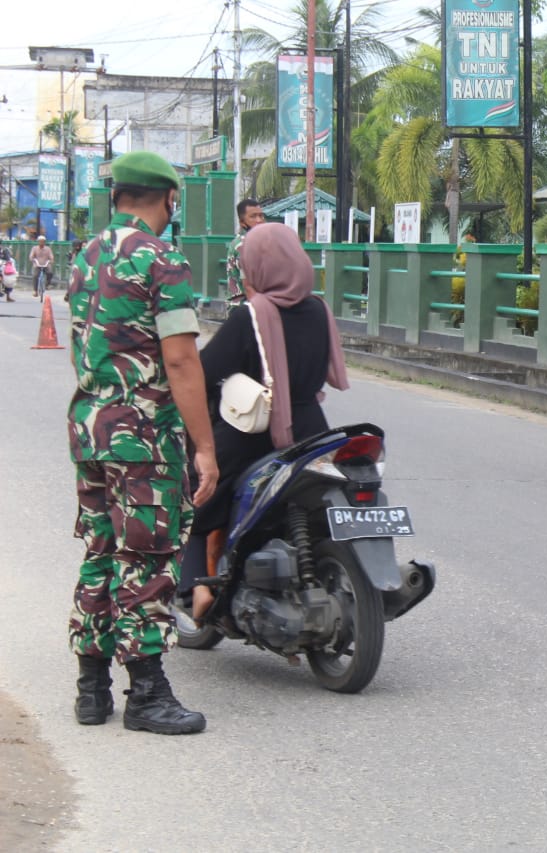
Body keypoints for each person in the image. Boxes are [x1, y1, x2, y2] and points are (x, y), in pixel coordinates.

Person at [66, 150, 218, 735]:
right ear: (169, 198)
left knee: (102, 552)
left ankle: (91, 690)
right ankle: (148, 694)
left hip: (89, 429)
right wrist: (205, 447)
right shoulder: (162, 260)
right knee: (147, 559)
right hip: (142, 438)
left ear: (117, 195)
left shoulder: (85, 256)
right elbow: (180, 360)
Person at [188, 222, 350, 619]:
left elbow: (205, 373)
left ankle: (196, 587)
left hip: (256, 433)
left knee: (196, 491)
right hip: (311, 430)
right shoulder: (319, 310)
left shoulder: (251, 315)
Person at [225, 197, 267, 302]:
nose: (259, 220)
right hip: (244, 305)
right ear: (242, 222)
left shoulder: (259, 241)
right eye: (253, 216)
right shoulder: (243, 245)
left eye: (261, 216)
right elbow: (248, 287)